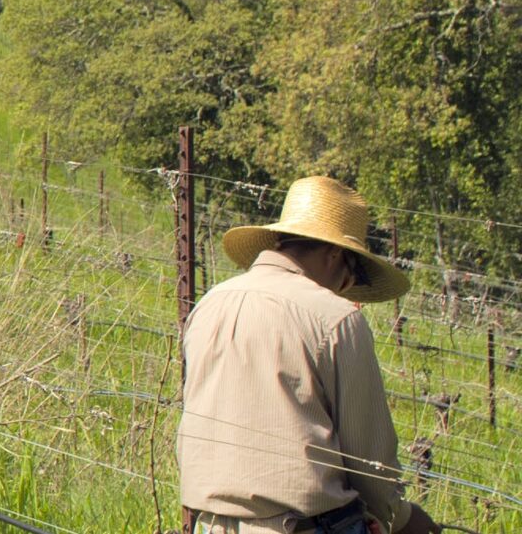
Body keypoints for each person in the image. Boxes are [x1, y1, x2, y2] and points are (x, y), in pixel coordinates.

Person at [179, 176, 439, 534]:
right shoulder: (335, 318)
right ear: (336, 254)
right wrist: (402, 518)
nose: (349, 287)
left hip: (209, 524)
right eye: (355, 272)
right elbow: (370, 463)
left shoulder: (210, 304)